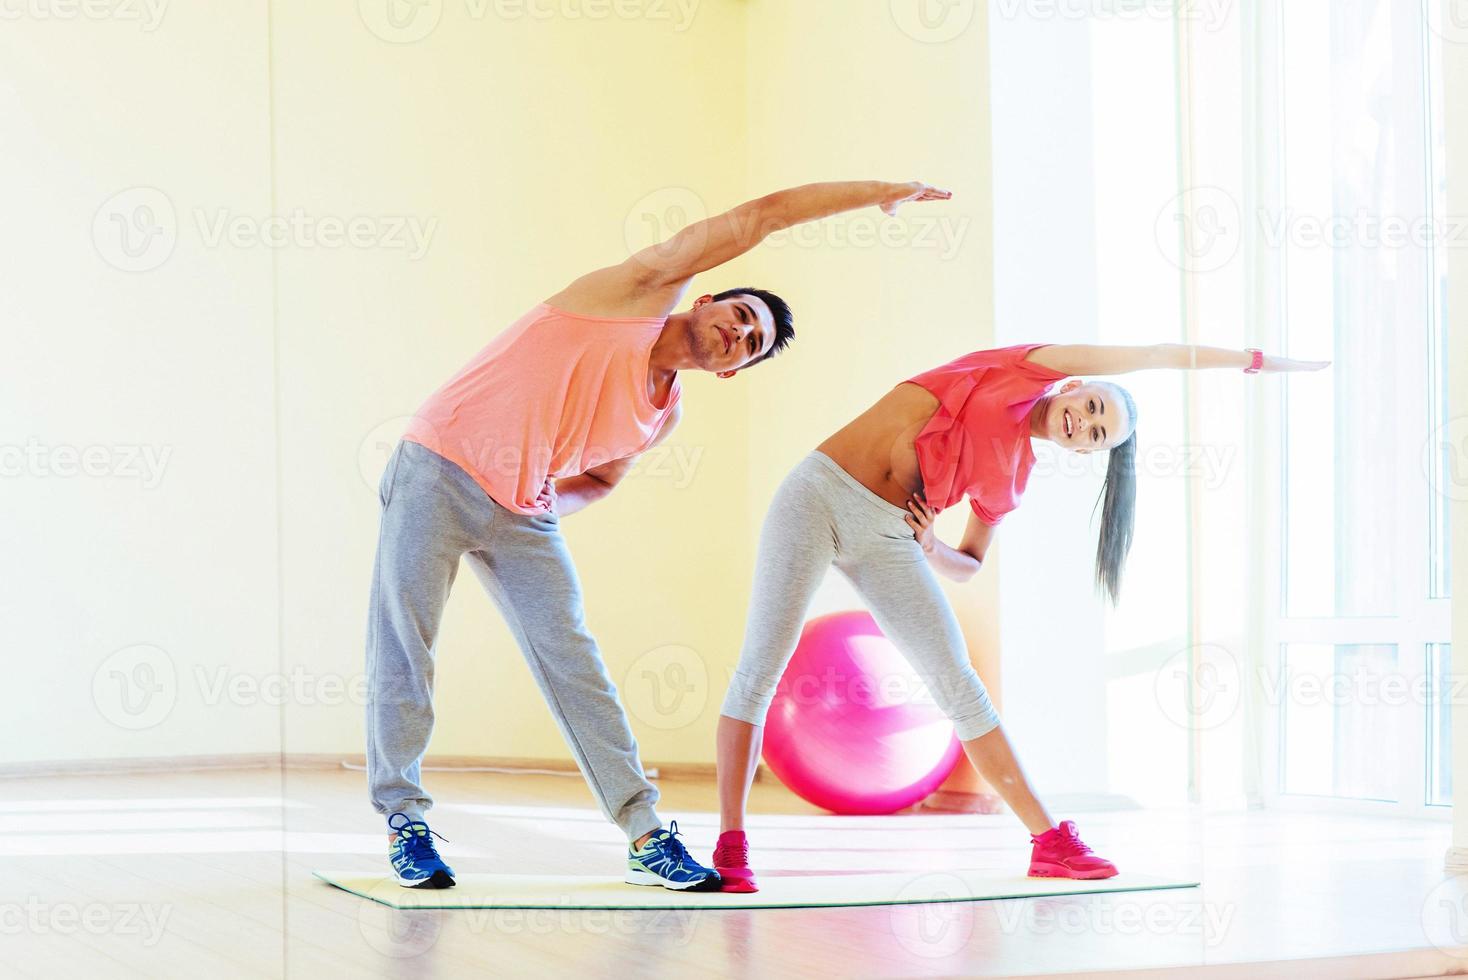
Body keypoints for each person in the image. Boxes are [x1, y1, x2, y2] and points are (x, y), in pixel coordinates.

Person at [366, 179, 954, 890]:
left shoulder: (662, 415)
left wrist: (546, 503)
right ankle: (406, 821)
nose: (738, 331)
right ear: (707, 301)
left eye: (750, 341)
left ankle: (645, 833)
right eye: (740, 314)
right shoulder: (636, 293)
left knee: (574, 660)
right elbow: (761, 216)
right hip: (439, 466)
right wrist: (881, 194)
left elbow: (603, 481)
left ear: (733, 369)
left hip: (522, 513)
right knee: (407, 639)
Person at [712, 342, 1329, 892]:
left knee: (960, 684)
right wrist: (1256, 361)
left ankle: (1049, 842)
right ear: (1073, 386)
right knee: (761, 665)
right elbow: (1153, 353)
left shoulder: (1012, 477)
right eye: (1091, 409)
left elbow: (970, 563)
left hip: (891, 536)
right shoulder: (1017, 369)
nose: (1084, 424)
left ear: (1081, 451)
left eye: (1094, 436)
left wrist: (931, 547)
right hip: (816, 494)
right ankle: (732, 843)